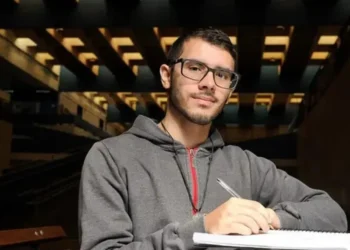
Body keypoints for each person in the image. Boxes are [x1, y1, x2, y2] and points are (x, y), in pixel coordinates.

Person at [78, 28, 347, 250]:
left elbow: (333, 215)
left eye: (222, 75)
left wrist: (272, 217)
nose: (209, 83)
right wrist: (203, 229)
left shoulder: (247, 165)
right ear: (166, 75)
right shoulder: (110, 157)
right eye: (195, 68)